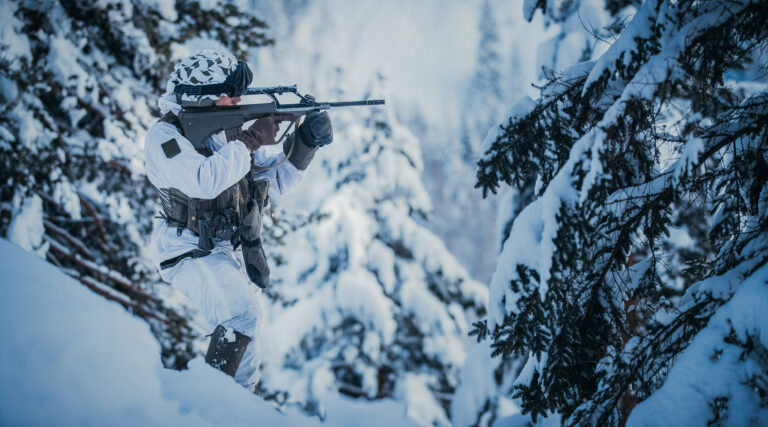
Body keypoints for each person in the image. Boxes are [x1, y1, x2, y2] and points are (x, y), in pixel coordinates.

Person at [144, 50, 333, 389]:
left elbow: (275, 179)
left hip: (220, 251)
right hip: (184, 251)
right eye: (228, 96)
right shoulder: (165, 138)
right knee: (239, 315)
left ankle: (236, 407)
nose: (235, 102)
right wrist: (250, 139)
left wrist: (305, 142)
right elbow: (204, 180)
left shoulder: (223, 134)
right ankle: (215, 402)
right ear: (205, 95)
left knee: (247, 337)